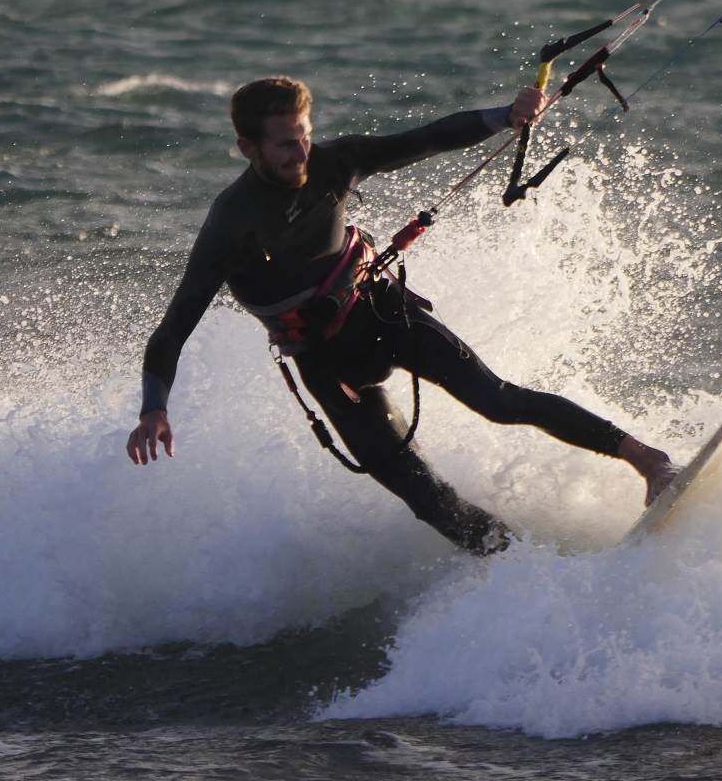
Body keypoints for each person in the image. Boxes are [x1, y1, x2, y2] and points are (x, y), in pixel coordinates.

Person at [126, 76, 675, 554]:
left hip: (381, 312)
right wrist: (154, 408)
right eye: (286, 145)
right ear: (248, 147)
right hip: (326, 363)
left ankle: (648, 460)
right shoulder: (231, 223)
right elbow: (174, 328)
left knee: (498, 401)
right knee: (420, 493)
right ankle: (517, 563)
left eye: (304, 136)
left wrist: (504, 116)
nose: (301, 152)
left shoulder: (334, 163)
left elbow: (424, 139)